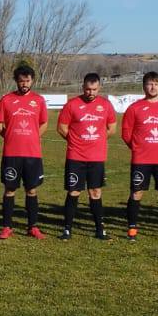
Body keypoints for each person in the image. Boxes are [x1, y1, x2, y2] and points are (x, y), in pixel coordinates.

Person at [56, 72, 116, 240]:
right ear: (83, 87)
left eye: (94, 89)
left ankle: (99, 229)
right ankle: (67, 229)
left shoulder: (105, 105)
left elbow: (111, 128)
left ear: (99, 88)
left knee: (95, 192)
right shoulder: (72, 104)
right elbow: (61, 127)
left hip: (96, 157)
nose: (91, 93)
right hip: (76, 157)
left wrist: (97, 140)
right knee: (74, 191)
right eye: (88, 89)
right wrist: (76, 140)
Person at [120, 71, 158, 239]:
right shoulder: (135, 108)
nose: (153, 87)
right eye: (149, 84)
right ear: (144, 86)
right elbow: (126, 132)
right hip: (141, 159)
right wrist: (137, 147)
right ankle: (132, 228)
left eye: (156, 84)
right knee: (136, 192)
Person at [0, 64, 49, 239]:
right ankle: (7, 227)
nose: (24, 83)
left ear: (32, 81)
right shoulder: (6, 100)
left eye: (27, 80)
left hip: (32, 154)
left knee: (31, 190)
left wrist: (32, 136)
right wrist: (10, 136)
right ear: (16, 81)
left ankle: (33, 226)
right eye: (21, 81)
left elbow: (44, 123)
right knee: (10, 190)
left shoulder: (39, 100)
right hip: (11, 154)